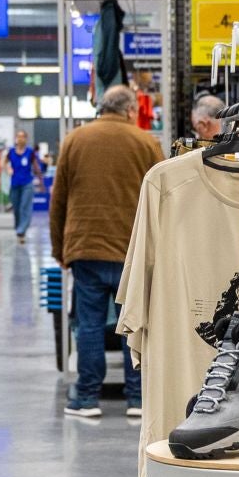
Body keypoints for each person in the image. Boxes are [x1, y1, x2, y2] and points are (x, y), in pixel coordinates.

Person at [50, 83, 163, 419]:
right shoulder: (146, 142)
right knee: (136, 325)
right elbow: (162, 197)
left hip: (86, 247)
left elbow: (59, 199)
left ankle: (86, 399)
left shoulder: (75, 140)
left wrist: (60, 249)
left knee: (88, 324)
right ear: (130, 110)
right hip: (133, 249)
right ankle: (137, 399)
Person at [0, 128, 44, 243]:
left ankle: (22, 229)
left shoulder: (30, 152)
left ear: (26, 139)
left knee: (25, 206)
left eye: (22, 136)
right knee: (17, 208)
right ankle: (19, 228)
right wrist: (7, 168)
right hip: (14, 184)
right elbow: (4, 162)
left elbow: (36, 167)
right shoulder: (11, 151)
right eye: (18, 136)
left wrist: (41, 182)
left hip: (27, 184)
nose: (20, 139)